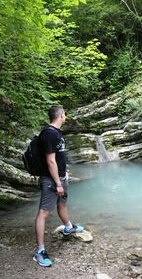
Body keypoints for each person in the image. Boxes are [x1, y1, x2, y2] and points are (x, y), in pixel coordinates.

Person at [33, 105, 84, 267]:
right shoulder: (48, 134)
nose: (66, 116)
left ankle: (68, 227)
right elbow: (50, 160)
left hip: (60, 177)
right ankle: (39, 251)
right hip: (51, 180)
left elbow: (59, 157)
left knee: (62, 203)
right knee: (44, 213)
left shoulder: (56, 133)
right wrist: (57, 183)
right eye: (65, 114)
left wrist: (64, 174)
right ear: (61, 115)